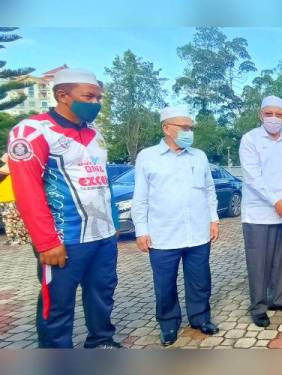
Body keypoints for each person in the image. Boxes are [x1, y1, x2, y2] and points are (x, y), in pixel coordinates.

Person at [7, 68, 121, 348]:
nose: (96, 103)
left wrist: (114, 225)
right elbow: (27, 190)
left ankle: (102, 342)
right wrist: (46, 242)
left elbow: (103, 182)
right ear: (62, 95)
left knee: (102, 293)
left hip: (102, 236)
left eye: (99, 98)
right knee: (57, 303)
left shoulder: (96, 134)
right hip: (63, 239)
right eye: (89, 96)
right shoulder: (33, 131)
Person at [132, 106, 220, 346]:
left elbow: (209, 190)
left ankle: (200, 318)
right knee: (165, 285)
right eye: (183, 127)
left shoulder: (198, 156)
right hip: (163, 235)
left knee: (200, 281)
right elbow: (140, 197)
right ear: (166, 128)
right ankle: (168, 325)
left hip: (198, 233)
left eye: (190, 128)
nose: (188, 132)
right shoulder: (147, 157)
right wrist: (141, 229)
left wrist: (214, 219)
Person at [239, 95, 282, 328]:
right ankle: (259, 307)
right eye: (269, 114)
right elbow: (253, 177)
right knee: (258, 263)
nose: (274, 118)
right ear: (260, 115)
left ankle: (278, 299)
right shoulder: (250, 140)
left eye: (279, 114)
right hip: (258, 214)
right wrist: (276, 201)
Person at [0, 153, 30, 245]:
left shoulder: (6, 169)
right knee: (12, 220)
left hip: (9, 198)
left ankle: (19, 239)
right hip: (7, 198)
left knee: (12, 220)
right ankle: (18, 239)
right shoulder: (10, 169)